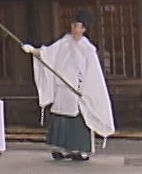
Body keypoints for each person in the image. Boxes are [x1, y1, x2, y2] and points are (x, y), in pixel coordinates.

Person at [24, 9, 115, 161]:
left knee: (78, 118)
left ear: (84, 29)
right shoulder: (64, 42)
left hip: (76, 89)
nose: (73, 28)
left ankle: (81, 149)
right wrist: (34, 51)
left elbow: (92, 74)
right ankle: (63, 148)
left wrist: (84, 89)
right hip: (62, 88)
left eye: (77, 25)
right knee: (60, 116)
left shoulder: (88, 49)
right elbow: (48, 54)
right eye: (73, 24)